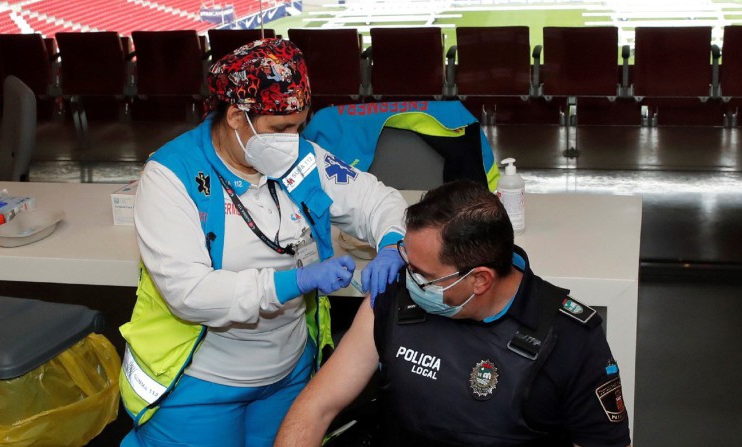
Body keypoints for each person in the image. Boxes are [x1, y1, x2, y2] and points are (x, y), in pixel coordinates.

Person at [119, 39, 408, 447]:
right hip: (198, 384)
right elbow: (190, 293)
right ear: (237, 116)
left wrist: (393, 243)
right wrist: (296, 282)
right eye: (280, 130)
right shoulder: (172, 176)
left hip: (286, 375)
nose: (292, 141)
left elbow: (376, 199)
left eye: (299, 126)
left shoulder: (299, 159)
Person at [275, 180, 631, 447]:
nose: (408, 278)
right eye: (406, 259)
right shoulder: (392, 301)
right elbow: (316, 406)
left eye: (423, 275)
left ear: (479, 280)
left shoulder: (570, 340)